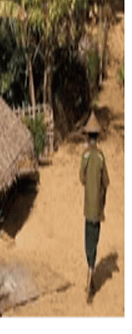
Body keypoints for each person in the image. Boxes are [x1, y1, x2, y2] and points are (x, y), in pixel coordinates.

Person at [79, 111, 108, 298]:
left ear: (87, 136)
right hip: (98, 209)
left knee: (88, 241)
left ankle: (89, 274)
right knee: (95, 241)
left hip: (88, 208)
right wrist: (102, 200)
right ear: (97, 136)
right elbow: (106, 182)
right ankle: (91, 274)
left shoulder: (85, 156)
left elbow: (81, 178)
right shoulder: (101, 157)